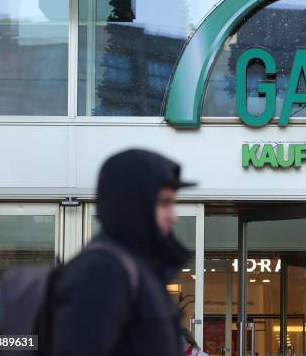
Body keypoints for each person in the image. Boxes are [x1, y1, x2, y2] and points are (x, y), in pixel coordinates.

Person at [49, 149, 196, 356]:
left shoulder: (136, 268)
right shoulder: (102, 270)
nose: (174, 216)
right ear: (133, 204)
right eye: (164, 203)